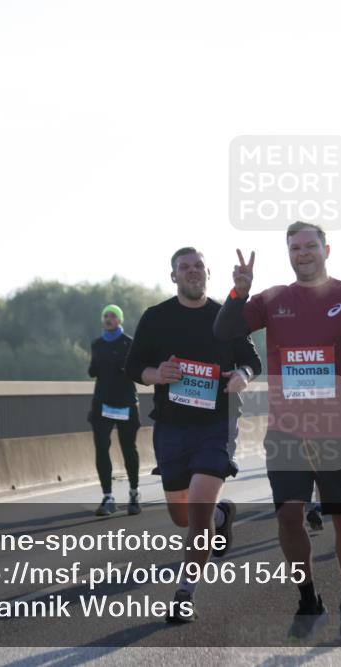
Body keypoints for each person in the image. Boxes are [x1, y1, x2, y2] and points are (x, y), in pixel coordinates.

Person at [215, 222, 341, 642]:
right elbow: (224, 331)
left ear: (326, 249)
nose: (303, 253)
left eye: (310, 246)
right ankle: (308, 597)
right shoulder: (272, 299)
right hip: (288, 429)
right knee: (288, 516)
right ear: (289, 253)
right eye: (295, 247)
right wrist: (239, 292)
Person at [124, 248, 261, 623]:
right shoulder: (156, 317)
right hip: (171, 425)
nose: (192, 272)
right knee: (182, 517)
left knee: (197, 511)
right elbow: (134, 367)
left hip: (216, 424)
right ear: (174, 277)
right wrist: (158, 375)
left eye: (198, 266)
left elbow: (252, 360)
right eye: (184, 268)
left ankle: (185, 593)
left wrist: (242, 376)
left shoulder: (225, 316)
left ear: (207, 273)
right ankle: (221, 515)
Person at [88, 304, 141, 516]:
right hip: (103, 403)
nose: (108, 319)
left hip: (126, 402)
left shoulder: (129, 343)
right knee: (101, 447)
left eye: (112, 316)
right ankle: (108, 497)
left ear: (119, 320)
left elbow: (136, 370)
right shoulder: (97, 344)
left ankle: (134, 494)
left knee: (129, 449)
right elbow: (92, 370)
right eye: (105, 316)